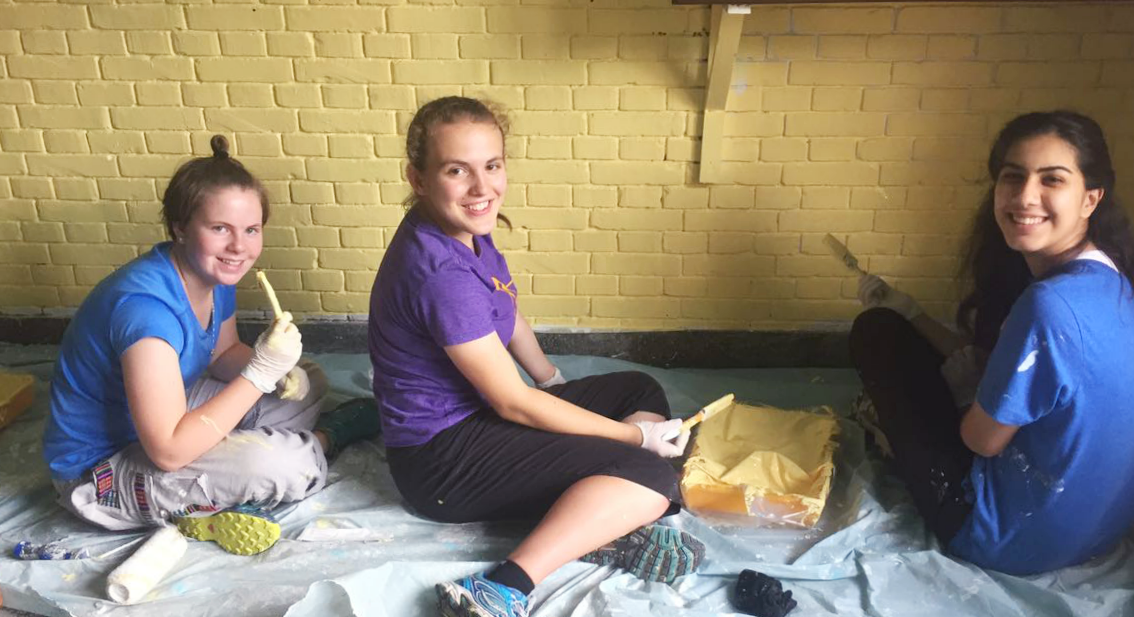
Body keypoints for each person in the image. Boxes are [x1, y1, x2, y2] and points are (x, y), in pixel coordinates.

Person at [370, 96, 704, 617]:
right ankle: (504, 588)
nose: (482, 189)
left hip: (477, 420)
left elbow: (504, 309)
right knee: (652, 474)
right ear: (417, 178)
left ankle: (591, 518)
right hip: (440, 464)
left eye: (492, 166)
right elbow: (512, 404)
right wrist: (635, 438)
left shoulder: (467, 230)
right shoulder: (440, 274)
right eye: (457, 171)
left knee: (637, 388)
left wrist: (551, 381)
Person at [848, 111, 1134, 575]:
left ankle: (887, 434)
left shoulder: (1048, 304)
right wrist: (911, 311)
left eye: (1052, 179)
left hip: (1010, 540)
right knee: (904, 328)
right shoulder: (1108, 281)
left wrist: (963, 398)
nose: (1025, 196)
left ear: (1091, 198)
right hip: (1099, 529)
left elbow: (981, 439)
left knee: (876, 332)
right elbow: (1010, 370)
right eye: (1013, 177)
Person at [43, 136, 379, 555]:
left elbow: (221, 355)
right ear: (180, 227)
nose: (239, 247)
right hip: (102, 470)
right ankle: (326, 440)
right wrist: (259, 373)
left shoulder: (211, 274)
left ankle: (220, 478)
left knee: (307, 379)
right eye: (220, 228)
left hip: (168, 410)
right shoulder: (146, 312)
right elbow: (166, 451)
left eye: (251, 229)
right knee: (288, 465)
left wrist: (278, 369)